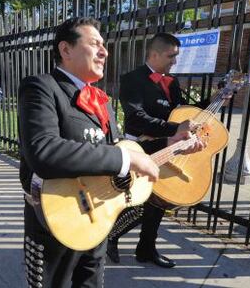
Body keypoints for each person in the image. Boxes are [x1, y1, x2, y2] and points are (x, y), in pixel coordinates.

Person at [18, 17, 203, 287]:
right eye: (94, 44)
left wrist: (172, 142)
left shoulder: (100, 100)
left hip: (98, 217)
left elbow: (114, 152)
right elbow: (43, 152)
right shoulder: (41, 87)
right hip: (56, 218)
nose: (104, 51)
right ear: (65, 50)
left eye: (104, 45)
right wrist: (126, 159)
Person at [106, 32, 209, 268]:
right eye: (171, 56)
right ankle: (110, 235)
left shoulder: (170, 83)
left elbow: (182, 113)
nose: (175, 61)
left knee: (159, 202)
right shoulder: (132, 79)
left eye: (176, 56)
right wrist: (174, 129)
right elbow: (136, 117)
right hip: (141, 148)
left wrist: (215, 98)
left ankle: (145, 249)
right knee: (140, 199)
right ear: (154, 54)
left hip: (167, 145)